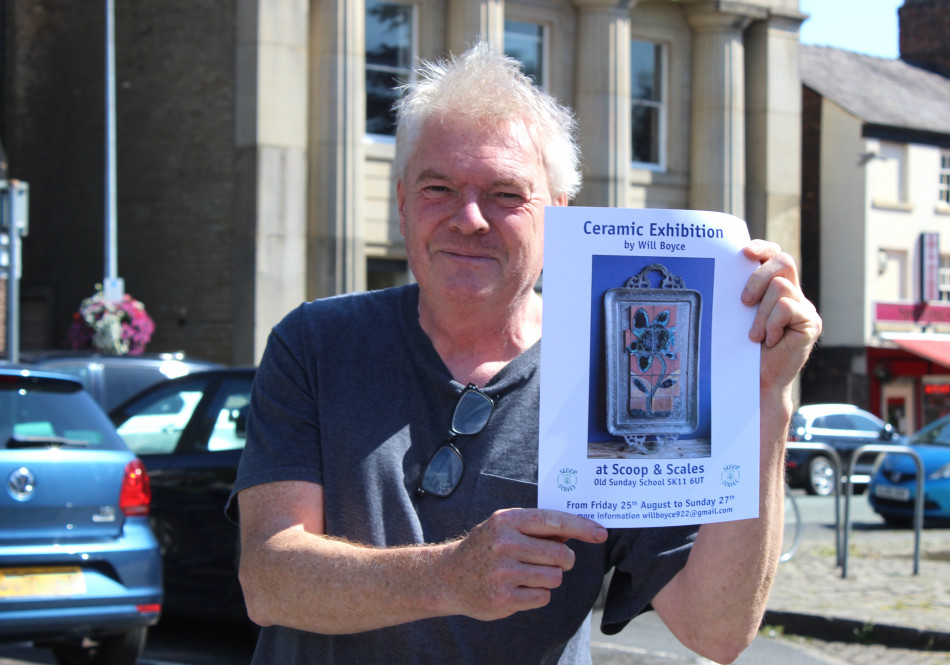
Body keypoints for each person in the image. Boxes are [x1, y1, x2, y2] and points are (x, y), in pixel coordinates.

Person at [228, 42, 822, 665]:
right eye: (438, 188)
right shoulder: (317, 343)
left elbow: (717, 628)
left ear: (557, 217)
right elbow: (269, 580)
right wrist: (450, 577)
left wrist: (767, 400)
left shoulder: (616, 373)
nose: (469, 218)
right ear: (402, 203)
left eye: (506, 194)